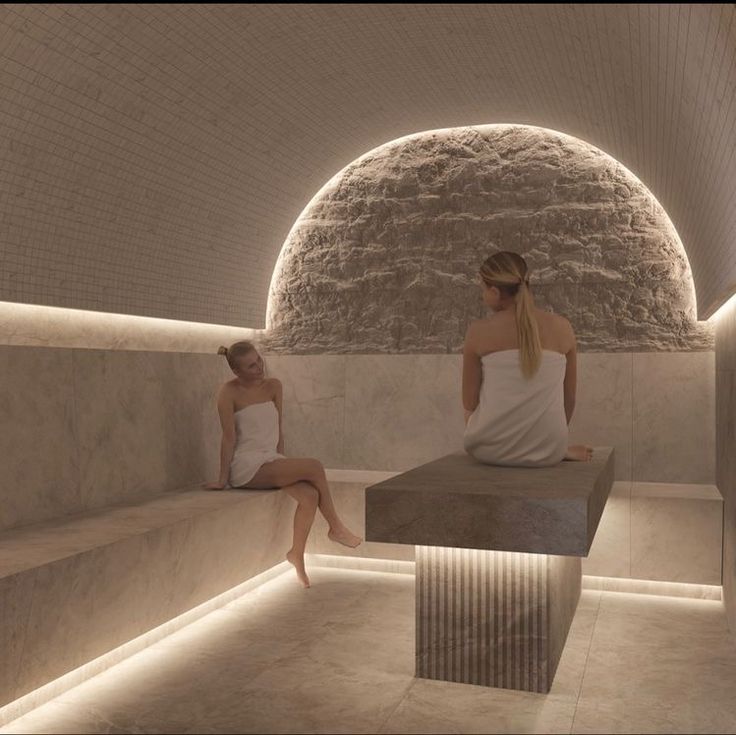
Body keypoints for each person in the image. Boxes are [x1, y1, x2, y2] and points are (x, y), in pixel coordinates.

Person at [204, 341, 362, 588]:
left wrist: (284, 465)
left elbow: (278, 429)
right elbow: (228, 437)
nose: (259, 367)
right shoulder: (228, 392)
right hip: (247, 466)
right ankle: (336, 528)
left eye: (259, 360)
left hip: (271, 460)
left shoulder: (274, 386)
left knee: (309, 495)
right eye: (251, 366)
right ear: (237, 371)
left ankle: (296, 554)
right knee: (315, 466)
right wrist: (222, 479)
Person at [462, 251, 592, 467]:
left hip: (488, 451)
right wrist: (552, 446)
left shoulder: (478, 331)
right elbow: (569, 400)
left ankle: (518, 446)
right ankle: (538, 446)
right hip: (549, 451)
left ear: (494, 292)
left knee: (471, 413)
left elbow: (469, 403)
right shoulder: (563, 327)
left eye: (482, 289)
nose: (482, 295)